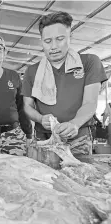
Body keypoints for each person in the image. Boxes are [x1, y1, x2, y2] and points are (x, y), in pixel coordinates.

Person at [21, 12, 107, 156]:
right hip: (44, 138)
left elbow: (90, 103)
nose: (54, 46)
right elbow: (28, 106)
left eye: (60, 39)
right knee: (44, 177)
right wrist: (40, 118)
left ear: (70, 37)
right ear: (41, 41)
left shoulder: (89, 62)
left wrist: (75, 123)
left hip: (79, 137)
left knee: (79, 176)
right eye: (47, 41)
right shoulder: (32, 71)